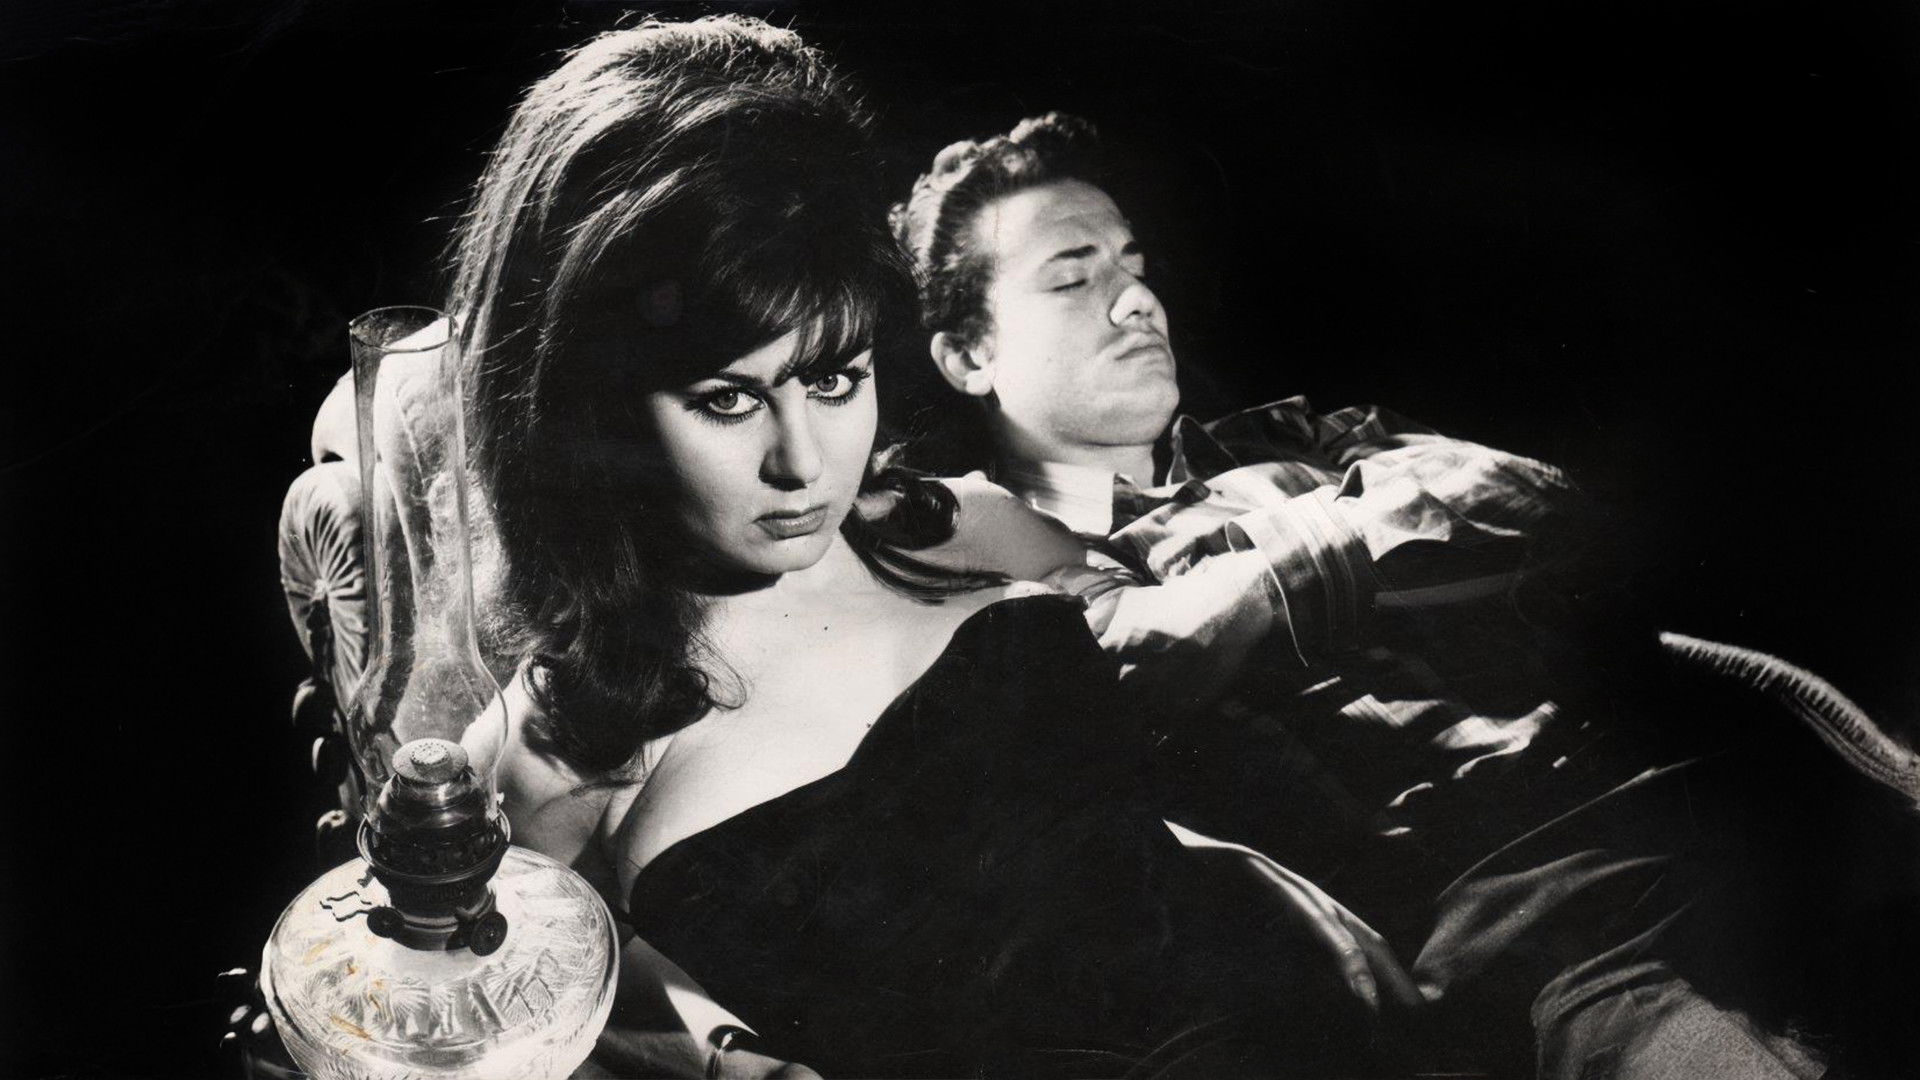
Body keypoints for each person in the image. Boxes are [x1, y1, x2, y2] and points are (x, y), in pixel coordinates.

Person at [449, 18, 1414, 1080]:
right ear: (593, 409)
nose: (802, 463)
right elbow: (490, 999)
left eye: (835, 380)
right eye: (727, 400)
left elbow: (1185, 765)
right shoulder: (555, 740)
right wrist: (703, 1047)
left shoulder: (956, 524)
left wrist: (1285, 895)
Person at [890, 112, 1920, 1078]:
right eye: (1075, 278)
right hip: (1558, 927)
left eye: (1134, 266)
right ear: (969, 354)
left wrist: (1273, 582)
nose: (1135, 301)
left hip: (1750, 793)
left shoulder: (1298, 442)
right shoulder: (992, 573)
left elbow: (1531, 497)